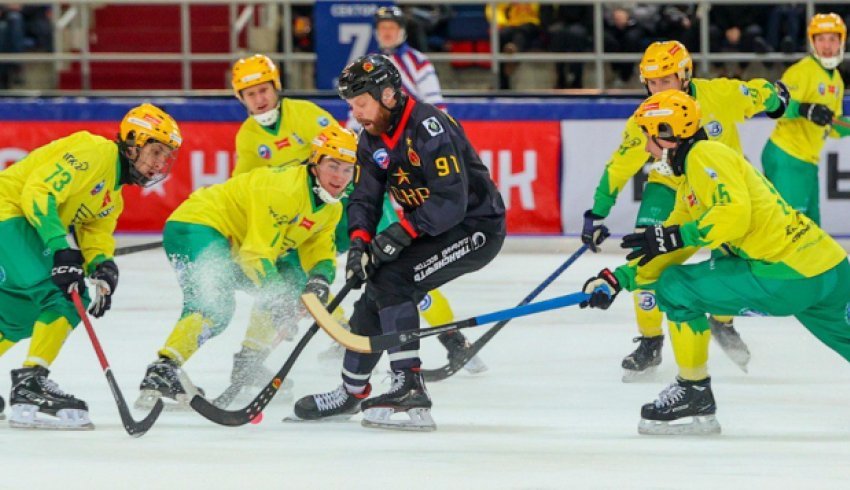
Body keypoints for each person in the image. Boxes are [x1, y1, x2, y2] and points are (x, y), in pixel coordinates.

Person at [580, 89, 850, 435]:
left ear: (669, 135)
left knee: (675, 287)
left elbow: (732, 216)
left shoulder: (703, 155)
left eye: (649, 139)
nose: (647, 149)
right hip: (828, 266)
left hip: (786, 276)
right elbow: (670, 248)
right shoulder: (694, 175)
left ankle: (694, 392)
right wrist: (617, 279)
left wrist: (676, 236)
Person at [292, 54, 506, 431]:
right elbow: (365, 198)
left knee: (394, 279)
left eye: (361, 103)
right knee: (377, 285)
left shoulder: (429, 126)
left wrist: (402, 232)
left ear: (387, 94)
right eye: (352, 105)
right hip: (432, 226)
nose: (355, 112)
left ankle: (409, 385)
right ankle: (351, 390)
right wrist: (359, 244)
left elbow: (450, 202)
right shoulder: (370, 137)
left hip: (475, 227)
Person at [581, 40, 789, 381]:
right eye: (652, 82)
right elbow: (621, 164)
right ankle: (650, 341)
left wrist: (776, 99)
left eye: (666, 80)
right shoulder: (645, 117)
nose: (657, 89)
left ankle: (722, 323)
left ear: (686, 75)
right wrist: (598, 211)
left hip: (718, 192)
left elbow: (756, 93)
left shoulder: (718, 95)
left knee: (731, 261)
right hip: (668, 188)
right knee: (646, 258)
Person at [135, 124, 357, 410]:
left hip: (233, 243)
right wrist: (280, 302)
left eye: (347, 169)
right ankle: (163, 370)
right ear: (315, 164)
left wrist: (319, 280)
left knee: (286, 289)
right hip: (198, 225)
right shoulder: (284, 190)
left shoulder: (331, 207)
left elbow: (320, 251)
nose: (339, 177)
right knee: (216, 305)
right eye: (333, 166)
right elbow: (256, 255)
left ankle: (248, 364)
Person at [0, 103, 182, 429]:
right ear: (132, 144)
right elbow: (37, 193)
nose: (159, 163)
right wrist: (60, 250)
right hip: (8, 214)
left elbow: (95, 232)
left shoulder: (114, 194)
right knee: (63, 295)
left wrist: (103, 265)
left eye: (164, 156)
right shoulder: (94, 151)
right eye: (155, 151)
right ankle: (30, 384)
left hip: (16, 225)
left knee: (18, 317)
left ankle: (30, 380)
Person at [227, 53, 341, 392]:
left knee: (319, 276)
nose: (260, 100)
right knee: (285, 283)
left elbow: (343, 154)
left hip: (326, 211)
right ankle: (249, 358)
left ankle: (345, 330)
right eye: (251, 94)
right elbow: (242, 184)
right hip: (285, 222)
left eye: (264, 90)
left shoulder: (304, 114)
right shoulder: (248, 136)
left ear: (276, 88)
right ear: (242, 99)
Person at [762, 13, 849, 226]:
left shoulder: (836, 79)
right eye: (821, 39)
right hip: (787, 156)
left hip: (808, 162)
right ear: (813, 42)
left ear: (841, 42)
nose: (827, 45)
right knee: (790, 230)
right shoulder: (802, 71)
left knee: (812, 230)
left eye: (832, 39)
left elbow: (834, 125)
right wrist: (804, 109)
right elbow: (775, 104)